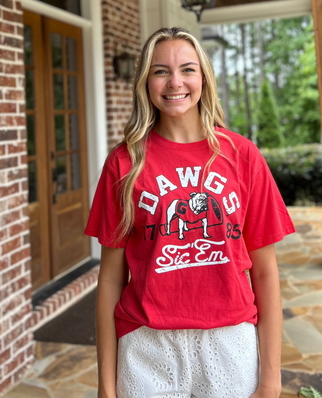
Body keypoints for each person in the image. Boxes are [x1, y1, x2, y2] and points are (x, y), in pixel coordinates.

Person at [85, 27, 295, 398]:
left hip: (229, 340)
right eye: (160, 70)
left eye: (187, 69)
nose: (174, 82)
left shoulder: (242, 156)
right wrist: (106, 386)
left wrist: (271, 379)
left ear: (203, 78)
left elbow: (265, 272)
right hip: (147, 344)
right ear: (146, 82)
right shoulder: (124, 162)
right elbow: (111, 280)